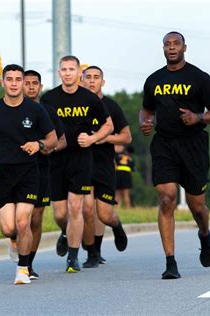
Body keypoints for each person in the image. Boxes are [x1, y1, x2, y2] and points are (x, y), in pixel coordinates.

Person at [139, 32, 210, 279]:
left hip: (193, 145)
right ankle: (170, 262)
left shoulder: (199, 77)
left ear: (185, 47)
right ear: (163, 48)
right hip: (164, 144)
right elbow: (146, 110)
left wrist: (198, 117)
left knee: (197, 206)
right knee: (167, 198)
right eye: (168, 44)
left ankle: (205, 235)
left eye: (176, 44)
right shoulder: (154, 80)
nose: (172, 48)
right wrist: (146, 123)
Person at [0, 64, 57, 284]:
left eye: (18, 79)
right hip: (3, 174)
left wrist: (38, 144)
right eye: (10, 79)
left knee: (24, 222)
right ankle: (13, 240)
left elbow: (52, 139)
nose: (14, 83)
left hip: (29, 172)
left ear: (23, 83)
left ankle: (23, 269)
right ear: (3, 82)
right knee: (8, 228)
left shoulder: (36, 110)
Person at [40, 56, 113, 273]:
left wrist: (92, 139)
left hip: (81, 159)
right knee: (60, 214)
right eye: (64, 69)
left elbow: (108, 125)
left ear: (78, 73)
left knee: (75, 208)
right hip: (57, 160)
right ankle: (66, 233)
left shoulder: (89, 98)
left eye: (72, 69)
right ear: (59, 72)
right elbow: (41, 126)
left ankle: (72, 258)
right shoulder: (49, 98)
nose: (68, 73)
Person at [80, 66, 131, 268]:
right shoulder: (78, 105)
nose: (92, 81)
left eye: (96, 77)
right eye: (88, 77)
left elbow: (127, 137)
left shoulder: (111, 106)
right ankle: (92, 253)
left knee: (103, 213)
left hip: (104, 165)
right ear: (82, 81)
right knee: (86, 208)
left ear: (103, 82)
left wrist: (103, 138)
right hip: (82, 164)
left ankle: (117, 226)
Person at [22, 69, 67, 279]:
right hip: (18, 169)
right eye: (27, 83)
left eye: (35, 83)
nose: (31, 87)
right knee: (19, 219)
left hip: (42, 169)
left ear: (40, 87)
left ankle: (28, 264)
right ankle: (17, 244)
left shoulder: (48, 110)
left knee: (36, 217)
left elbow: (62, 141)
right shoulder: (13, 109)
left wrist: (50, 148)